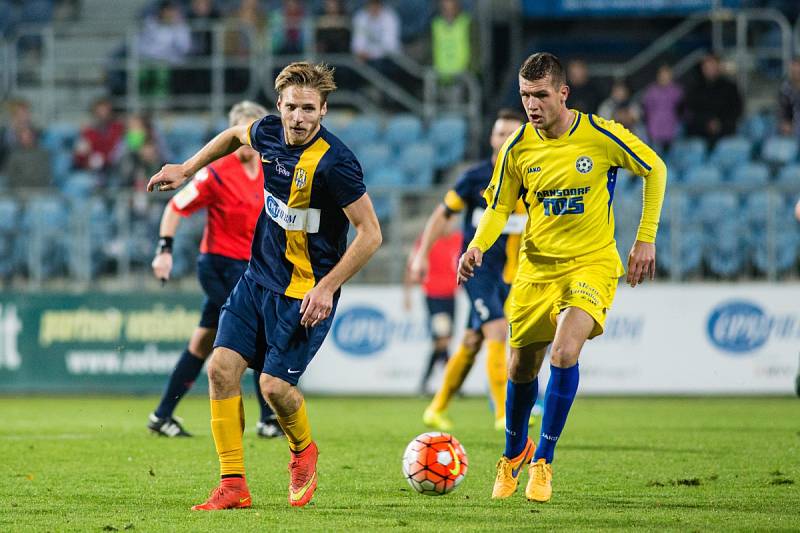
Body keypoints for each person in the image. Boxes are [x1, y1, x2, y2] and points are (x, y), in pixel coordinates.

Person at [146, 62, 382, 510]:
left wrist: (328, 287)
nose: (298, 117)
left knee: (274, 388)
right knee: (220, 368)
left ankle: (303, 450)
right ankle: (233, 485)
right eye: (291, 107)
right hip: (256, 279)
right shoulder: (269, 132)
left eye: (308, 109)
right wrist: (189, 167)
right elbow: (235, 135)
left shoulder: (336, 164)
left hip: (305, 292)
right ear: (279, 106)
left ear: (323, 110)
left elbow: (371, 233)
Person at [458, 52, 666, 503]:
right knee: (520, 366)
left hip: (591, 263)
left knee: (564, 352)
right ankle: (514, 453)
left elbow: (655, 168)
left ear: (563, 93)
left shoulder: (600, 134)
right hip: (536, 268)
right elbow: (497, 207)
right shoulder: (517, 145)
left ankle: (543, 462)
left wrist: (644, 238)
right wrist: (477, 245)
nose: (532, 105)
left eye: (540, 95)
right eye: (525, 96)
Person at [147, 101, 282, 439]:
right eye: (247, 132)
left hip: (251, 268)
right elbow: (176, 208)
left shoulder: (270, 170)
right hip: (218, 266)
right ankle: (267, 419)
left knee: (202, 343)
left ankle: (161, 415)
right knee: (257, 333)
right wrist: (164, 251)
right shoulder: (216, 173)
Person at [410, 109, 526, 432]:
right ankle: (505, 414)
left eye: (512, 134)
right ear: (491, 137)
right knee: (498, 331)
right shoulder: (474, 178)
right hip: (476, 271)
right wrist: (422, 255)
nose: (504, 140)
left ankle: (436, 407)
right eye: (500, 133)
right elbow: (442, 215)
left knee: (473, 341)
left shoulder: (532, 178)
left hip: (512, 274)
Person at [404, 223, 462, 395]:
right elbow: (411, 266)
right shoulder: (427, 239)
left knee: (443, 341)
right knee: (442, 338)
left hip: (451, 296)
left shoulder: (458, 239)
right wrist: (407, 294)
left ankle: (429, 383)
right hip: (433, 295)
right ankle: (453, 385)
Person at [683, 53, 742, 145]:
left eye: (712, 65)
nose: (709, 69)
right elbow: (689, 111)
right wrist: (706, 122)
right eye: (706, 66)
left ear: (718, 66)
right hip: (698, 133)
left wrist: (720, 123)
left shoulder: (730, 88)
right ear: (702, 68)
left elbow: (736, 110)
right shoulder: (694, 88)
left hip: (725, 132)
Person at [72, 97, 125, 175]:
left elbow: (118, 150)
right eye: (100, 111)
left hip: (114, 167)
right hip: (93, 171)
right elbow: (80, 156)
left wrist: (104, 159)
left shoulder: (118, 128)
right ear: (94, 113)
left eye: (106, 111)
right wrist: (87, 160)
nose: (103, 114)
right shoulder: (87, 132)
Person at [641, 64, 683, 152]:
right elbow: (646, 111)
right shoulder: (651, 91)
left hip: (672, 130)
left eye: (666, 74)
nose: (664, 77)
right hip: (654, 131)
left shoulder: (677, 91)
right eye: (662, 74)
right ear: (658, 75)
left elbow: (682, 110)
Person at [778, 58, 800, 136]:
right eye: (794, 68)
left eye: (798, 68)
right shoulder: (785, 88)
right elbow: (783, 109)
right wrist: (785, 122)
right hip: (792, 124)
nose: (796, 71)